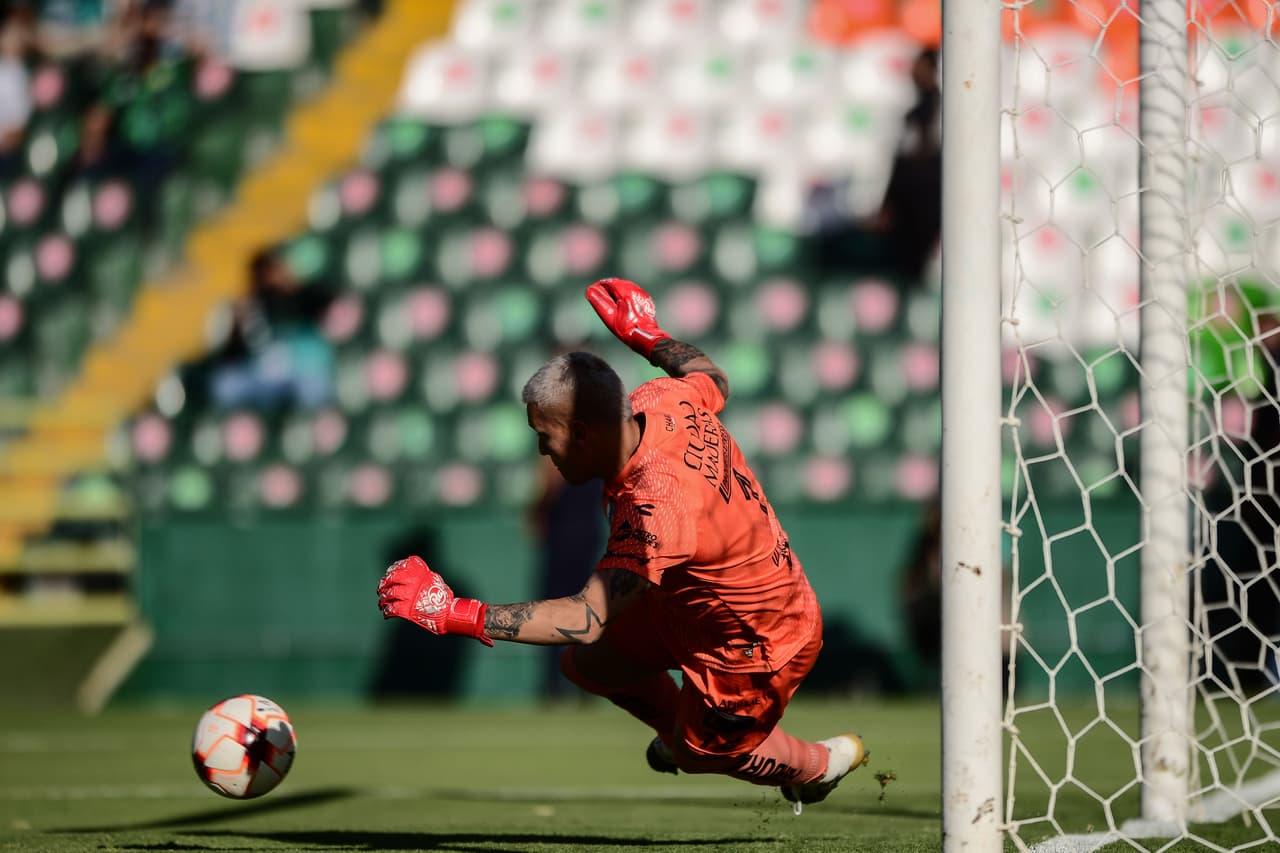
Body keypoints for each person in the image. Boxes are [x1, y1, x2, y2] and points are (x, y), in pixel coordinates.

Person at [378, 277, 868, 808]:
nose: (543, 452)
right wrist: (647, 336)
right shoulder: (659, 399)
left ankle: (819, 764)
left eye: (547, 437)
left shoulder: (656, 503)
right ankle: (686, 728)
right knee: (589, 667)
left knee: (697, 752)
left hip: (755, 646)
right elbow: (711, 377)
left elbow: (586, 618)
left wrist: (455, 613)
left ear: (584, 434)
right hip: (692, 609)